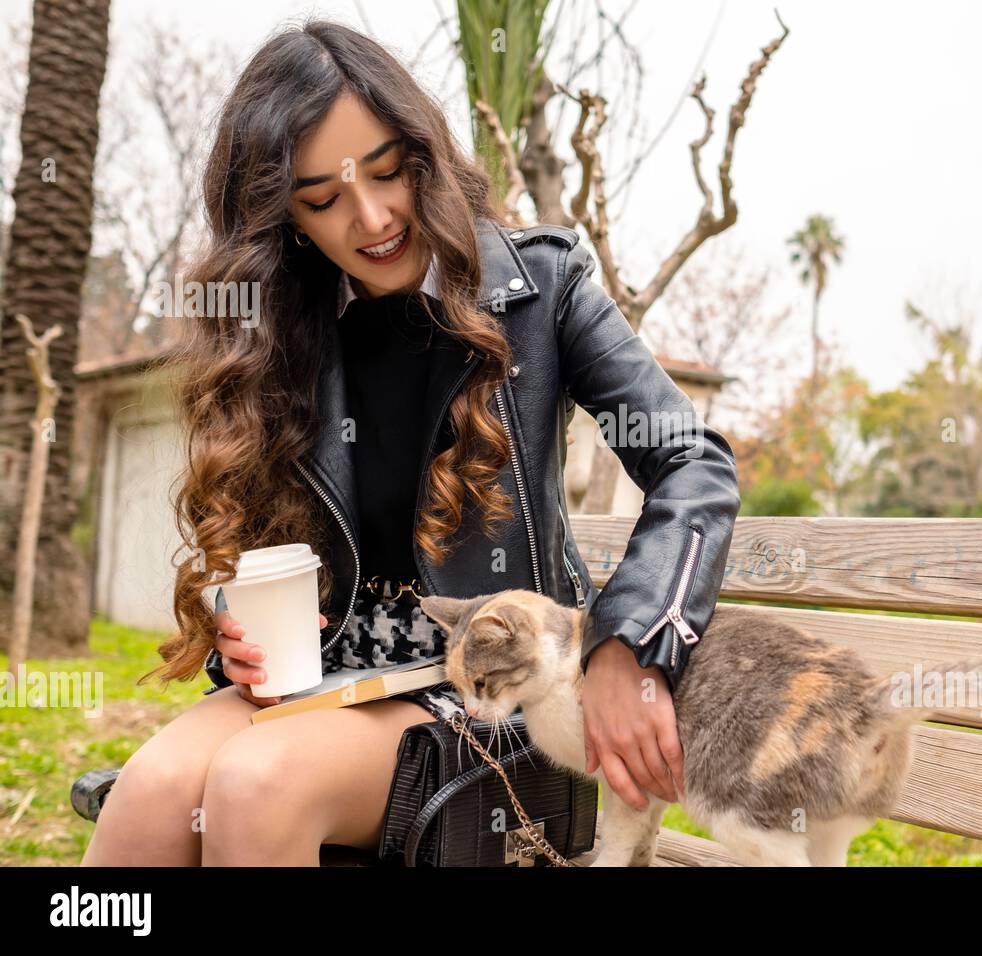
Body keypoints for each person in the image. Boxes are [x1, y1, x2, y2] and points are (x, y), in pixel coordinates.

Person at [80, 19, 740, 866]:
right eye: (322, 199)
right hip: (326, 684)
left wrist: (629, 643)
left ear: (423, 156)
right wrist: (234, 626)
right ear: (281, 217)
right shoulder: (281, 334)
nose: (374, 216)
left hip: (502, 702)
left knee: (255, 783)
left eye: (389, 172)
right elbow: (254, 552)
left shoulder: (543, 287)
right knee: (151, 791)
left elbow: (693, 462)